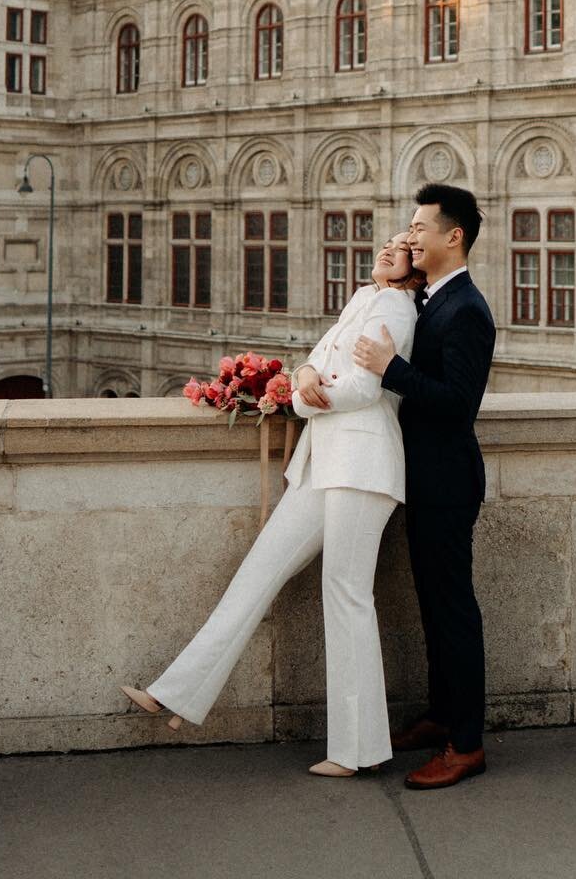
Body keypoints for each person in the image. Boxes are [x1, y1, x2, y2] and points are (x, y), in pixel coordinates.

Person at [121, 232, 422, 776]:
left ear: (414, 268)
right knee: (257, 572)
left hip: (361, 463)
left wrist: (307, 396)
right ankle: (176, 693)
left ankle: (357, 751)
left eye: (401, 247)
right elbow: (315, 363)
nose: (387, 248)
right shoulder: (362, 298)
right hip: (323, 461)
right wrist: (305, 377)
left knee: (348, 597)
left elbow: (363, 389)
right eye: (386, 241)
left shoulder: (397, 308)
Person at [353, 183, 495, 791]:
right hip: (425, 480)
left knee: (454, 613)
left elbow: (459, 405)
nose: (410, 235)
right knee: (436, 610)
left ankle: (466, 745)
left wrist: (392, 371)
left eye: (419, 226)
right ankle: (442, 717)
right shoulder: (434, 299)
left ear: (453, 235)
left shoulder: (467, 309)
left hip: (446, 483)